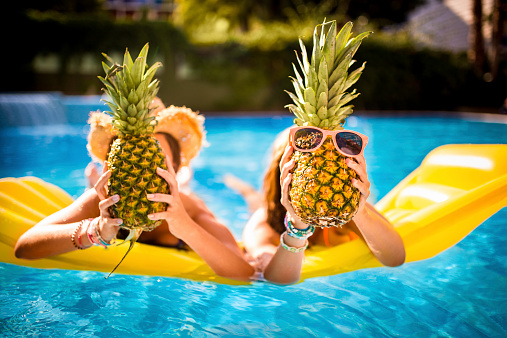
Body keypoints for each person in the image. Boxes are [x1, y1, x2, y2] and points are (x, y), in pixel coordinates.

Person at [14, 104, 255, 281]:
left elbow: (245, 272)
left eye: (154, 158)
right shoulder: (103, 200)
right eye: (134, 160)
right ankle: (92, 181)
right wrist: (95, 230)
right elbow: (24, 247)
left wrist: (185, 228)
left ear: (177, 167)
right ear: (115, 163)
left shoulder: (189, 208)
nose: (143, 170)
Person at [228, 128, 406, 285]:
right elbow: (276, 279)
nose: (320, 176)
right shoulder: (261, 225)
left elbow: (395, 258)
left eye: (328, 163)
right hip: (276, 212)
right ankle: (245, 190)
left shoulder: (341, 207)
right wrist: (298, 227)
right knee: (254, 200)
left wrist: (360, 212)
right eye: (310, 166)